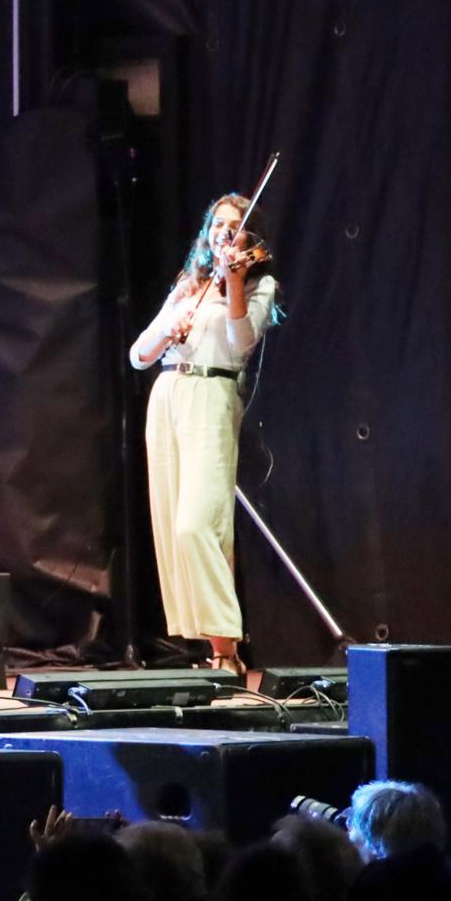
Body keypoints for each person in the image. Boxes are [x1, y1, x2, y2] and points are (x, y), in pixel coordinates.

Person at [129, 192, 281, 673]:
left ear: (250, 236)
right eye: (217, 223)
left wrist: (234, 286)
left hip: (213, 395)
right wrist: (171, 326)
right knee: (173, 529)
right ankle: (217, 653)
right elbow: (139, 355)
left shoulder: (261, 283)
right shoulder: (189, 284)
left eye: (234, 225)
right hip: (169, 394)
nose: (224, 231)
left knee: (198, 524)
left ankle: (227, 652)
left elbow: (240, 344)